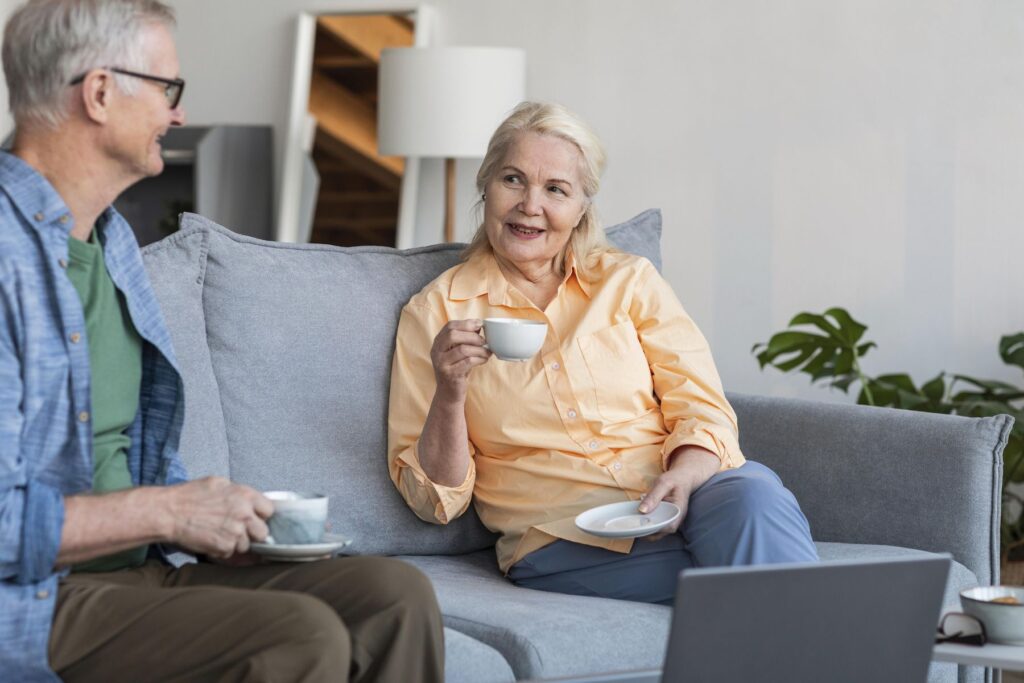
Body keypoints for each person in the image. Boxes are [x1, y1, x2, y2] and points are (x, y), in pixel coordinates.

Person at [0, 1, 444, 681]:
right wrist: (173, 510)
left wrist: (223, 525)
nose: (177, 114)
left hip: (136, 573)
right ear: (98, 92)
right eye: (167, 88)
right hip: (34, 601)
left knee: (394, 597)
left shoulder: (114, 242)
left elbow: (130, 454)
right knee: (297, 637)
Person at [388, 101, 819, 606]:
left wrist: (684, 475)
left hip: (685, 495)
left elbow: (699, 404)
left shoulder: (627, 280)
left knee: (755, 495)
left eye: (556, 190)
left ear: (581, 208)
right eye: (512, 179)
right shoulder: (435, 312)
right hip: (562, 538)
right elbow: (434, 501)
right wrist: (450, 391)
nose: (531, 204)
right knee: (746, 585)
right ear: (485, 187)